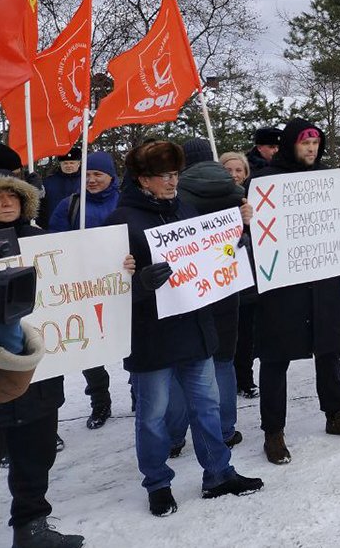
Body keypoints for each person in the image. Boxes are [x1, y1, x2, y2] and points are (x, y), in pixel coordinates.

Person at [106, 141, 262, 515]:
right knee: (154, 415)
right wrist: (140, 283)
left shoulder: (185, 209)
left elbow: (209, 256)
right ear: (144, 179)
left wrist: (235, 244)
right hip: (152, 336)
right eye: (164, 176)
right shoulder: (120, 222)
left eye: (175, 174)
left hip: (195, 327)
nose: (172, 182)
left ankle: (219, 473)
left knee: (207, 406)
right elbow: (107, 286)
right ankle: (158, 483)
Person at [0, 169, 88, 546]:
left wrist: (119, 269)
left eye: (14, 195)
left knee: (36, 455)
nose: (7, 202)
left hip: (41, 377)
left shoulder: (48, 244)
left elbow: (87, 285)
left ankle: (32, 527)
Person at [251, 119, 340, 464]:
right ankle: (273, 431)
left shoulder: (329, 180)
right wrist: (244, 215)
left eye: (316, 143)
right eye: (305, 143)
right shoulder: (264, 180)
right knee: (276, 357)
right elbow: (250, 231)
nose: (311, 149)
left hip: (321, 281)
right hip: (281, 285)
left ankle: (335, 414)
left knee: (329, 349)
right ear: (291, 144)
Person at [177, 138, 250, 448]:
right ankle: (224, 429)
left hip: (187, 287)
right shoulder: (235, 194)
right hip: (225, 284)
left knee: (186, 365)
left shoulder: (176, 194)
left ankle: (173, 437)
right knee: (222, 360)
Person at [48, 151, 122, 430]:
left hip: (122, 284)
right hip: (85, 286)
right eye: (87, 174)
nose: (91, 180)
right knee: (91, 347)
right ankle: (100, 401)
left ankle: (140, 394)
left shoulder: (125, 200)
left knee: (132, 342)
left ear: (111, 177)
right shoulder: (70, 206)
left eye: (97, 174)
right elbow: (55, 245)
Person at [219, 151, 257, 397]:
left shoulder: (254, 199)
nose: (234, 175)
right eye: (228, 170)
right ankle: (227, 381)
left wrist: (249, 228)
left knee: (247, 331)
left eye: (238, 170)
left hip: (250, 278)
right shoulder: (212, 200)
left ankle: (246, 378)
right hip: (222, 280)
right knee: (226, 334)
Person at [38, 146, 81, 228]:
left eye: (72, 163)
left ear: (78, 163)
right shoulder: (47, 182)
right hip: (54, 229)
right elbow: (41, 206)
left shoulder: (86, 182)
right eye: (65, 163)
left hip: (81, 227)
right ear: (60, 164)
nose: (68, 166)